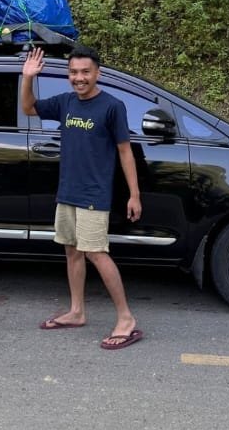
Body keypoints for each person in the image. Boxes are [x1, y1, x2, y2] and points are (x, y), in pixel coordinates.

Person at [21, 43, 143, 350]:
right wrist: (27, 78)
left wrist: (134, 195)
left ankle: (126, 319)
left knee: (96, 253)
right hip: (68, 192)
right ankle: (77, 311)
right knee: (72, 252)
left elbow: (125, 151)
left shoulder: (112, 106)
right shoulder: (65, 103)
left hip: (94, 194)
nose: (79, 78)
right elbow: (28, 108)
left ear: (97, 73)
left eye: (85, 72)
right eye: (74, 72)